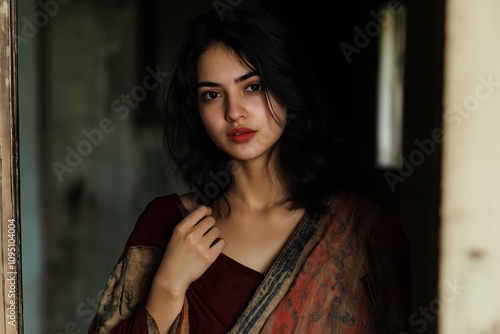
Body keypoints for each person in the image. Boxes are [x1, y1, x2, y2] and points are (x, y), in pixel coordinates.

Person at [88, 2, 412, 333]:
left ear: (287, 86)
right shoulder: (167, 223)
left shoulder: (366, 231)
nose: (234, 111)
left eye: (253, 86)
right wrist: (168, 285)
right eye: (212, 95)